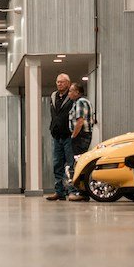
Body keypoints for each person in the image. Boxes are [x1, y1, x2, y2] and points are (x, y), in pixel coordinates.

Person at [46, 73, 74, 201]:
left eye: (62, 82)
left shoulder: (72, 96)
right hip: (56, 136)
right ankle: (59, 191)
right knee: (57, 164)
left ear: (68, 83)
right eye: (57, 82)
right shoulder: (53, 96)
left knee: (71, 164)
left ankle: (73, 191)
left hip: (69, 136)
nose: (59, 84)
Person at [66, 82, 94, 201]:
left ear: (77, 92)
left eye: (71, 91)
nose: (69, 93)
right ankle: (82, 191)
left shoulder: (81, 102)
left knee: (79, 164)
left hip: (81, 137)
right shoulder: (78, 102)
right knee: (79, 163)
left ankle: (82, 193)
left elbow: (80, 122)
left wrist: (73, 136)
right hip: (81, 136)